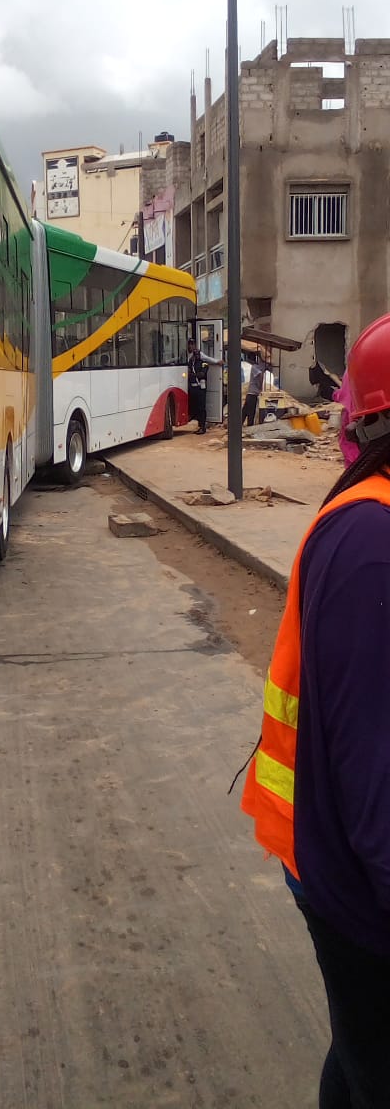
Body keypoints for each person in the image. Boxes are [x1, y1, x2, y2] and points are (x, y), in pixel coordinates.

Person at [241, 310, 390, 1108]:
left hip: (330, 848)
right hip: (353, 879)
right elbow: (378, 774)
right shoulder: (372, 539)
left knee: (360, 1061)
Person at [187, 338, 220, 435]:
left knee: (201, 407)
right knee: (195, 407)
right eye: (190, 344)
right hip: (193, 387)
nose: (196, 356)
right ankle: (199, 425)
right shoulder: (191, 362)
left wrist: (194, 375)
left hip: (201, 388)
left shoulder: (203, 363)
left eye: (193, 344)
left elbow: (202, 373)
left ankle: (202, 427)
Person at [241, 348, 267, 427]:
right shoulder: (257, 367)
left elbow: (260, 375)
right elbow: (261, 374)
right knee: (248, 411)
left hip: (252, 392)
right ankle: (245, 425)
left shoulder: (255, 367)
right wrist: (260, 388)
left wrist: (260, 387)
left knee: (247, 411)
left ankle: (246, 425)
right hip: (253, 392)